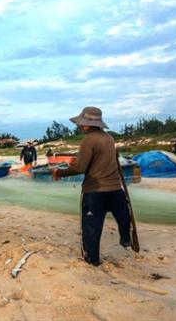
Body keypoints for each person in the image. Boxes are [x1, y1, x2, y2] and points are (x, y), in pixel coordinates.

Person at [52, 107, 132, 266]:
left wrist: (58, 173)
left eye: (82, 124)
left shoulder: (88, 140)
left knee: (91, 230)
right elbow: (101, 159)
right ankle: (125, 239)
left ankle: (92, 260)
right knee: (123, 218)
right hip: (115, 190)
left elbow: (80, 168)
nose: (80, 126)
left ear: (87, 125)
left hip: (95, 192)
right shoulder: (109, 138)